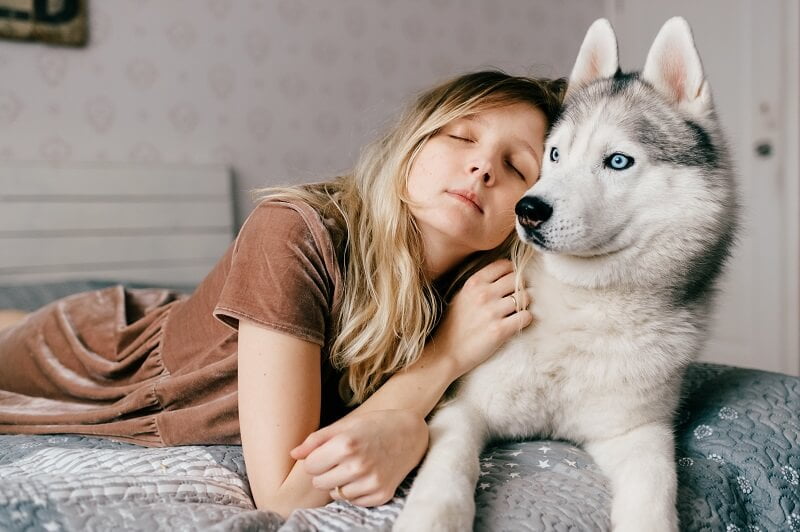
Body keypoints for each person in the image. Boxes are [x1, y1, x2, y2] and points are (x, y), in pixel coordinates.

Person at [0, 70, 564, 518]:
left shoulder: (487, 294)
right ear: (410, 146)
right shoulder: (291, 230)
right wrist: (442, 359)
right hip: (104, 357)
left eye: (517, 166)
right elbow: (283, 496)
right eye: (462, 135)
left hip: (193, 323)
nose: (482, 166)